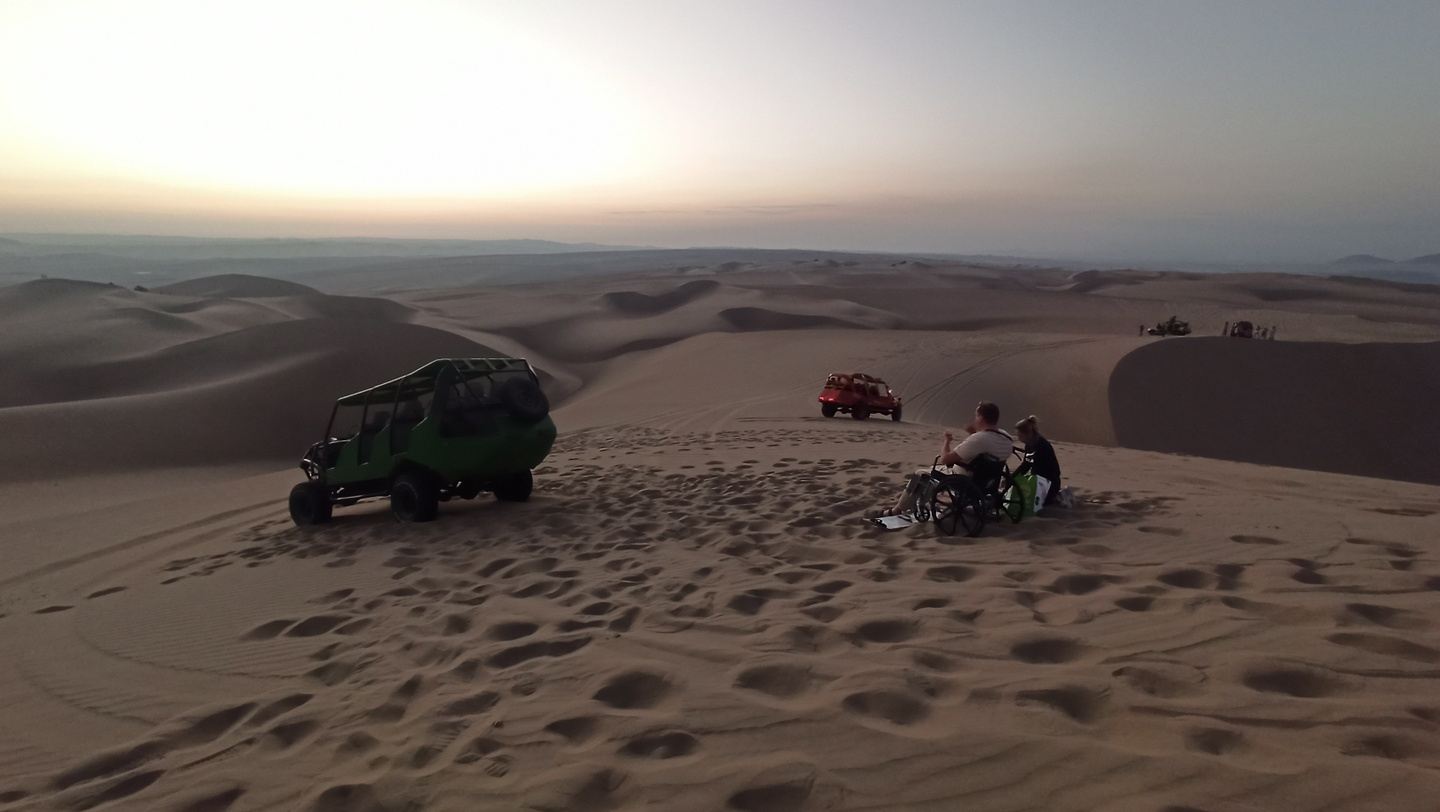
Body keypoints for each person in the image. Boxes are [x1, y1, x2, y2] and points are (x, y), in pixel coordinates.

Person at [879, 401, 1014, 517]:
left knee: (921, 474)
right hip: (989, 481)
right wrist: (974, 433)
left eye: (976, 415)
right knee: (932, 474)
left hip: (965, 478)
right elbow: (987, 447)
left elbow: (945, 459)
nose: (975, 419)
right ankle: (917, 504)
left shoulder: (979, 439)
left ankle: (898, 509)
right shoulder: (1006, 437)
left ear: (981, 418)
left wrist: (947, 441)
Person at [1013, 415, 1062, 507]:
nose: (1018, 438)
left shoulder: (1041, 446)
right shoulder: (1030, 444)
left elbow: (1052, 471)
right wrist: (1012, 478)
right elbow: (1026, 465)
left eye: (1019, 435)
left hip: (1048, 484)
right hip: (1038, 481)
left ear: (1027, 434)